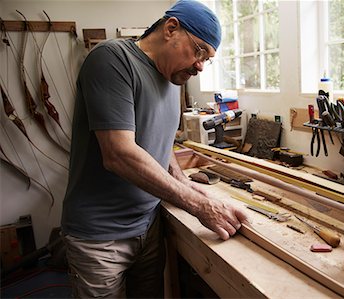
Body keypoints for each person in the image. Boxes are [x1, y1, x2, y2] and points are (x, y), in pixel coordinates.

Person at [61, 0, 248, 297]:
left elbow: (159, 140)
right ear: (171, 29)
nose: (200, 66)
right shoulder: (112, 60)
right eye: (199, 51)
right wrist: (199, 205)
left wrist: (182, 181)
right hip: (101, 237)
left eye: (207, 59)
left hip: (148, 225)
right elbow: (119, 154)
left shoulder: (173, 78)